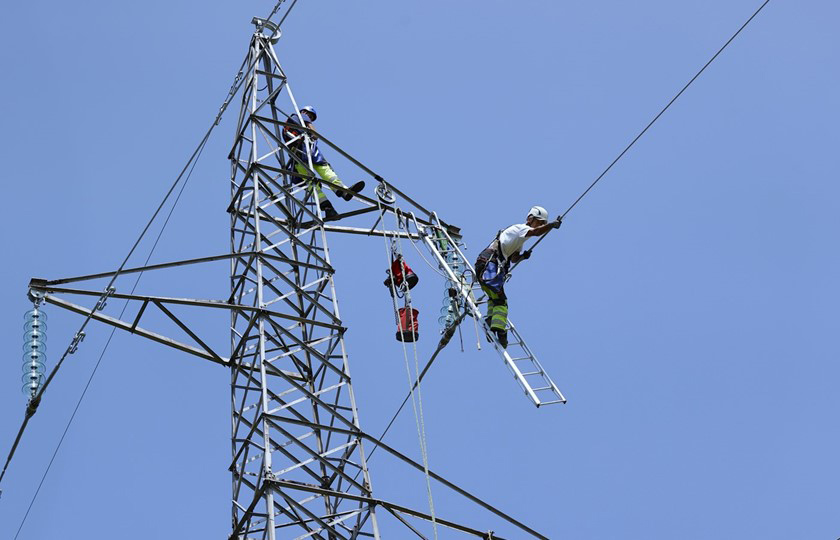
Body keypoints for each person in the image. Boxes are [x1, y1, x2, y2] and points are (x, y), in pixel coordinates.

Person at [474, 206, 561, 348]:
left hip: (487, 267)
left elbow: (513, 258)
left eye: (542, 224)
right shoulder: (520, 228)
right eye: (539, 222)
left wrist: (522, 257)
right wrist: (551, 225)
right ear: (530, 219)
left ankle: (491, 321)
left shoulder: (519, 240)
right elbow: (536, 232)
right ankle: (499, 330)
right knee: (501, 301)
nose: (541, 226)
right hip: (488, 264)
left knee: (495, 298)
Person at [282, 106, 364, 220]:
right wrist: (314, 134)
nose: (309, 118)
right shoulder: (300, 116)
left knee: (312, 183)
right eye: (310, 116)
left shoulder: (288, 123)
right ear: (304, 112)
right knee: (325, 172)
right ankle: (342, 191)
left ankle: (328, 208)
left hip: (297, 157)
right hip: (306, 152)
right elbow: (312, 131)